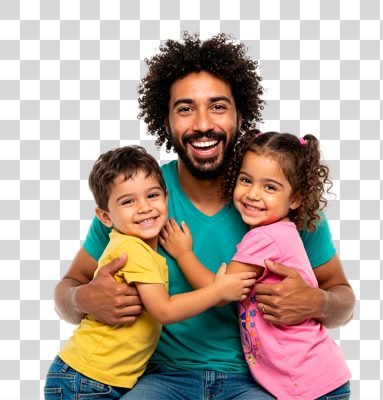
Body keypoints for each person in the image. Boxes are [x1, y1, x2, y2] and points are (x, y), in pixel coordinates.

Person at [54, 33, 355, 399]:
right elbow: (69, 285)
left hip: (255, 381)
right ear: (165, 121)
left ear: (240, 115)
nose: (202, 124)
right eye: (185, 109)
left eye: (218, 106)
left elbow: (342, 296)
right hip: (162, 377)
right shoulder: (140, 200)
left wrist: (319, 303)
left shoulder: (279, 203)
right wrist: (82, 300)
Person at [44, 145, 256, 399]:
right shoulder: (133, 251)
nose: (144, 207)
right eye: (128, 201)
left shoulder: (141, 249)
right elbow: (164, 310)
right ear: (105, 217)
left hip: (102, 378)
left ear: (166, 197)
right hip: (86, 379)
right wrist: (218, 290)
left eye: (152, 196)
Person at [160, 130, 352, 399]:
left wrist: (183, 254)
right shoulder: (281, 231)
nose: (252, 194)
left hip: (310, 384)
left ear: (295, 199)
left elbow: (219, 292)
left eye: (270, 187)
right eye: (246, 180)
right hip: (315, 379)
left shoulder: (264, 238)